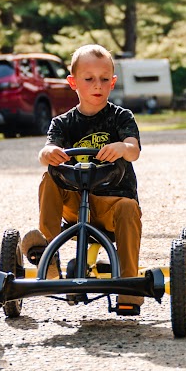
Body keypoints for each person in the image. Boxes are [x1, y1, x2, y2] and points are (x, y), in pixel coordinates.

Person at [27, 44, 144, 314]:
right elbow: (46, 151)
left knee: (128, 208)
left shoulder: (121, 117)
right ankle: (49, 255)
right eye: (89, 79)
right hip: (75, 204)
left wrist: (122, 148)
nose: (97, 85)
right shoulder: (62, 123)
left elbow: (134, 149)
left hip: (112, 204)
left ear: (112, 82)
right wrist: (48, 153)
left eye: (104, 79)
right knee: (49, 178)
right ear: (73, 83)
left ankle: (129, 287)